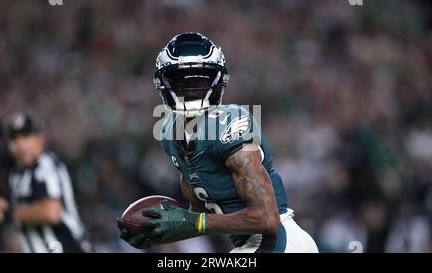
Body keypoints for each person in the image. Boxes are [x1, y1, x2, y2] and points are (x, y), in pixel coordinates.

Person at [117, 32, 318, 253]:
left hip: (278, 239)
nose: (192, 91)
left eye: (200, 81)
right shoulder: (169, 134)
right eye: (182, 82)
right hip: (253, 244)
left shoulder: (228, 124)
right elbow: (201, 215)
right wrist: (158, 229)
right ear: (164, 83)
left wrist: (192, 222)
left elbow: (267, 218)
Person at [0, 112, 89, 253]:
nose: (21, 145)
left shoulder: (45, 165)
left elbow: (51, 212)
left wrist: (10, 213)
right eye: (14, 139)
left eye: (26, 136)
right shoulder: (15, 175)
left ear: (40, 139)